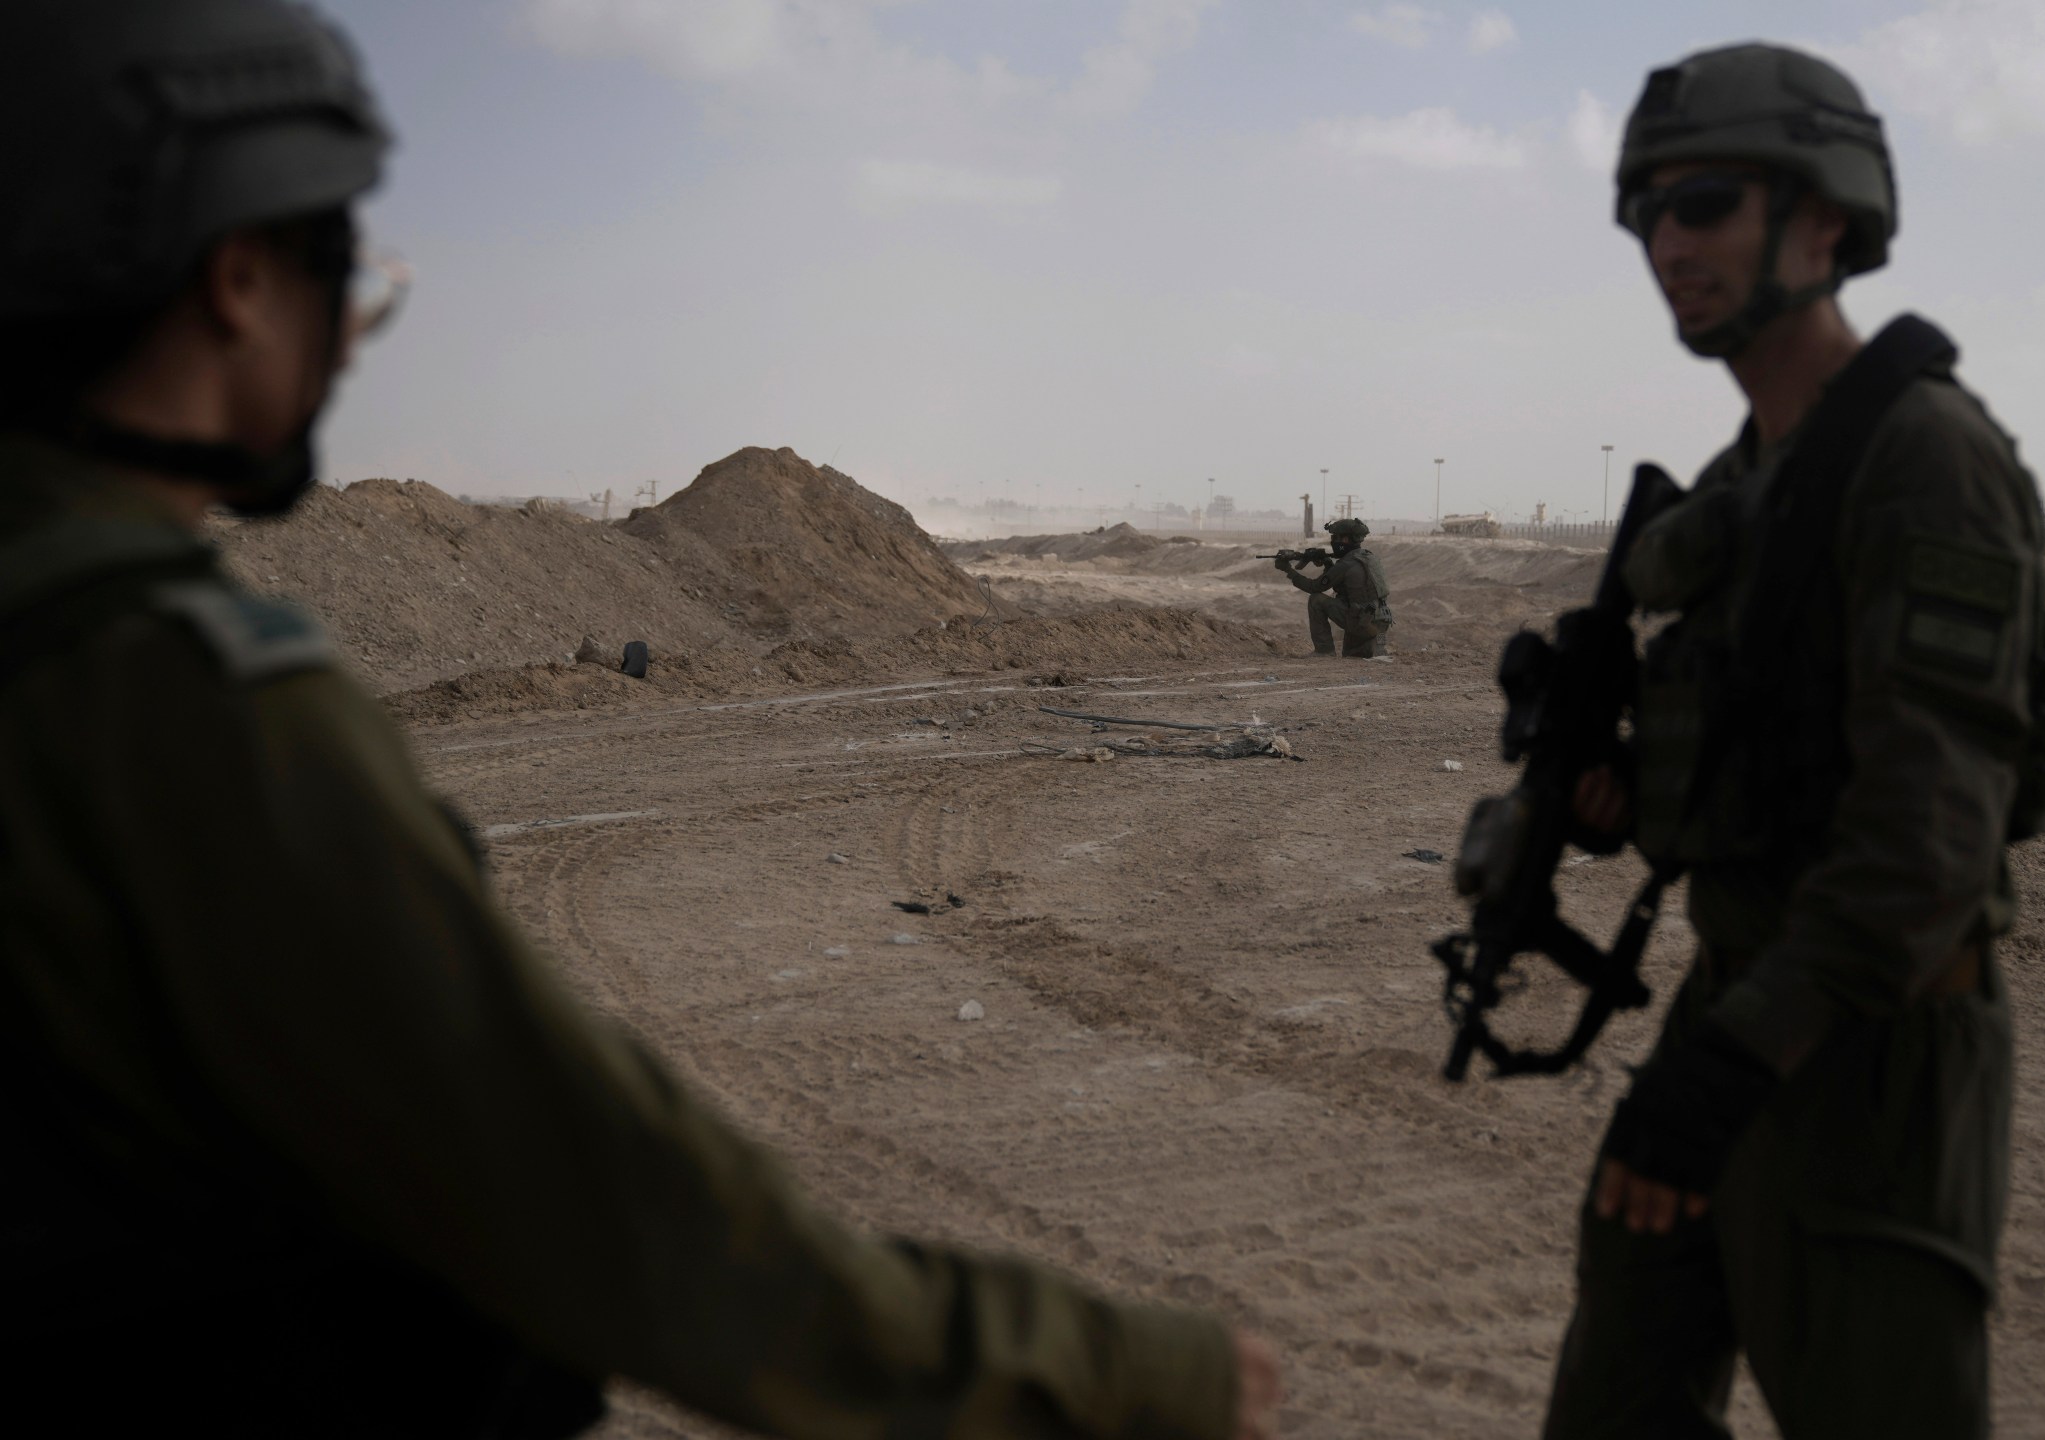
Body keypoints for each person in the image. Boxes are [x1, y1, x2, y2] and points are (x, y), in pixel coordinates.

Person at [0, 3, 1280, 1436]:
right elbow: (614, 1214)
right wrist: (1112, 1378)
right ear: (236, 279)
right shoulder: (180, 707)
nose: (354, 343)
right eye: (341, 277)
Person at [1542, 42, 2045, 1439]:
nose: (1666, 243)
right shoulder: (1749, 477)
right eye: (1645, 212)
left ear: (1825, 219)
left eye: (1702, 202)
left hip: (1871, 1052)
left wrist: (1727, 1066)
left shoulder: (1925, 459)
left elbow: (1924, 847)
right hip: (1746, 993)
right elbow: (1765, 758)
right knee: (1617, 1398)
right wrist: (1622, 791)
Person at [1277, 517, 1392, 657]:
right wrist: (1327, 564)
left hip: (1361, 623)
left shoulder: (1345, 564)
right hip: (1381, 624)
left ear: (1345, 540)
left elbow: (1314, 587)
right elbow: (1348, 587)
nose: (1333, 542)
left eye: (1335, 538)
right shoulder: (1370, 558)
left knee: (1316, 600)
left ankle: (1324, 651)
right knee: (1353, 656)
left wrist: (1288, 571)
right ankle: (1379, 648)